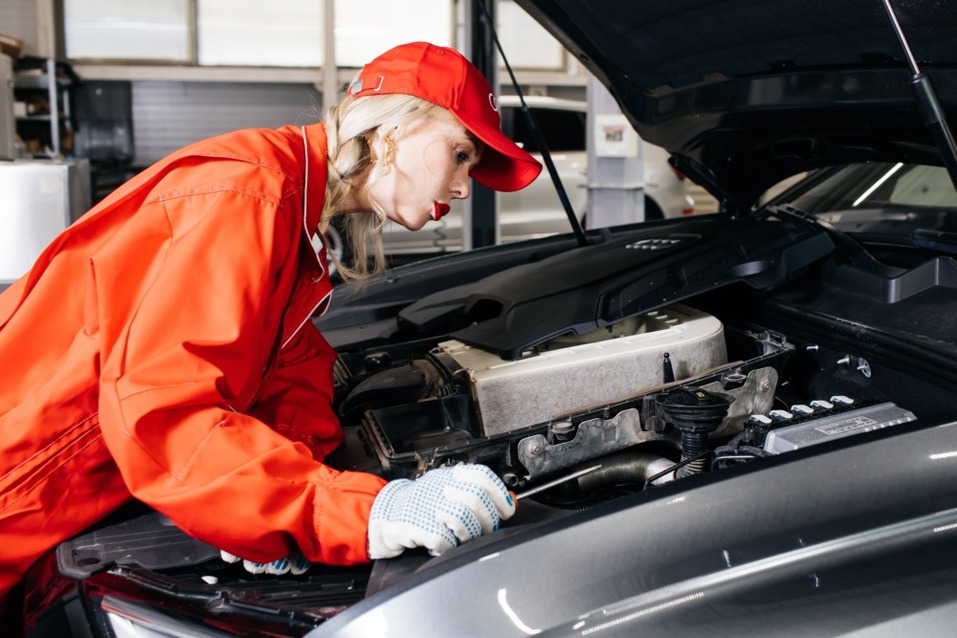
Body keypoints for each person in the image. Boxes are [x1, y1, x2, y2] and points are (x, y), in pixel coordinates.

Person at [0, 41, 542, 624]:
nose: (463, 188)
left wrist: (265, 509)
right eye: (460, 155)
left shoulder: (292, 209)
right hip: (18, 494)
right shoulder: (247, 196)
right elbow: (167, 412)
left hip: (63, 500)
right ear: (393, 133)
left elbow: (289, 381)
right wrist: (358, 512)